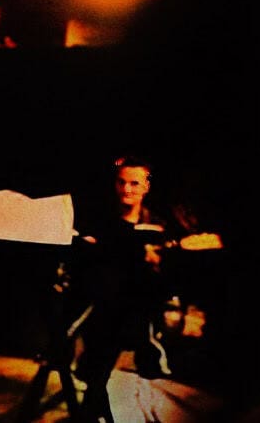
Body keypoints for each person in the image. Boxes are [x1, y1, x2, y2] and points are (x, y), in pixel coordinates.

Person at [68, 155, 224, 422]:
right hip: (102, 299)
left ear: (146, 187)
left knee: (135, 304)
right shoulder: (100, 220)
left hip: (138, 303)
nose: (126, 189)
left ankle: (111, 388)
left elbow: (169, 270)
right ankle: (101, 389)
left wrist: (157, 258)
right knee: (113, 303)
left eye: (134, 183)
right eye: (121, 182)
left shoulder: (158, 224)